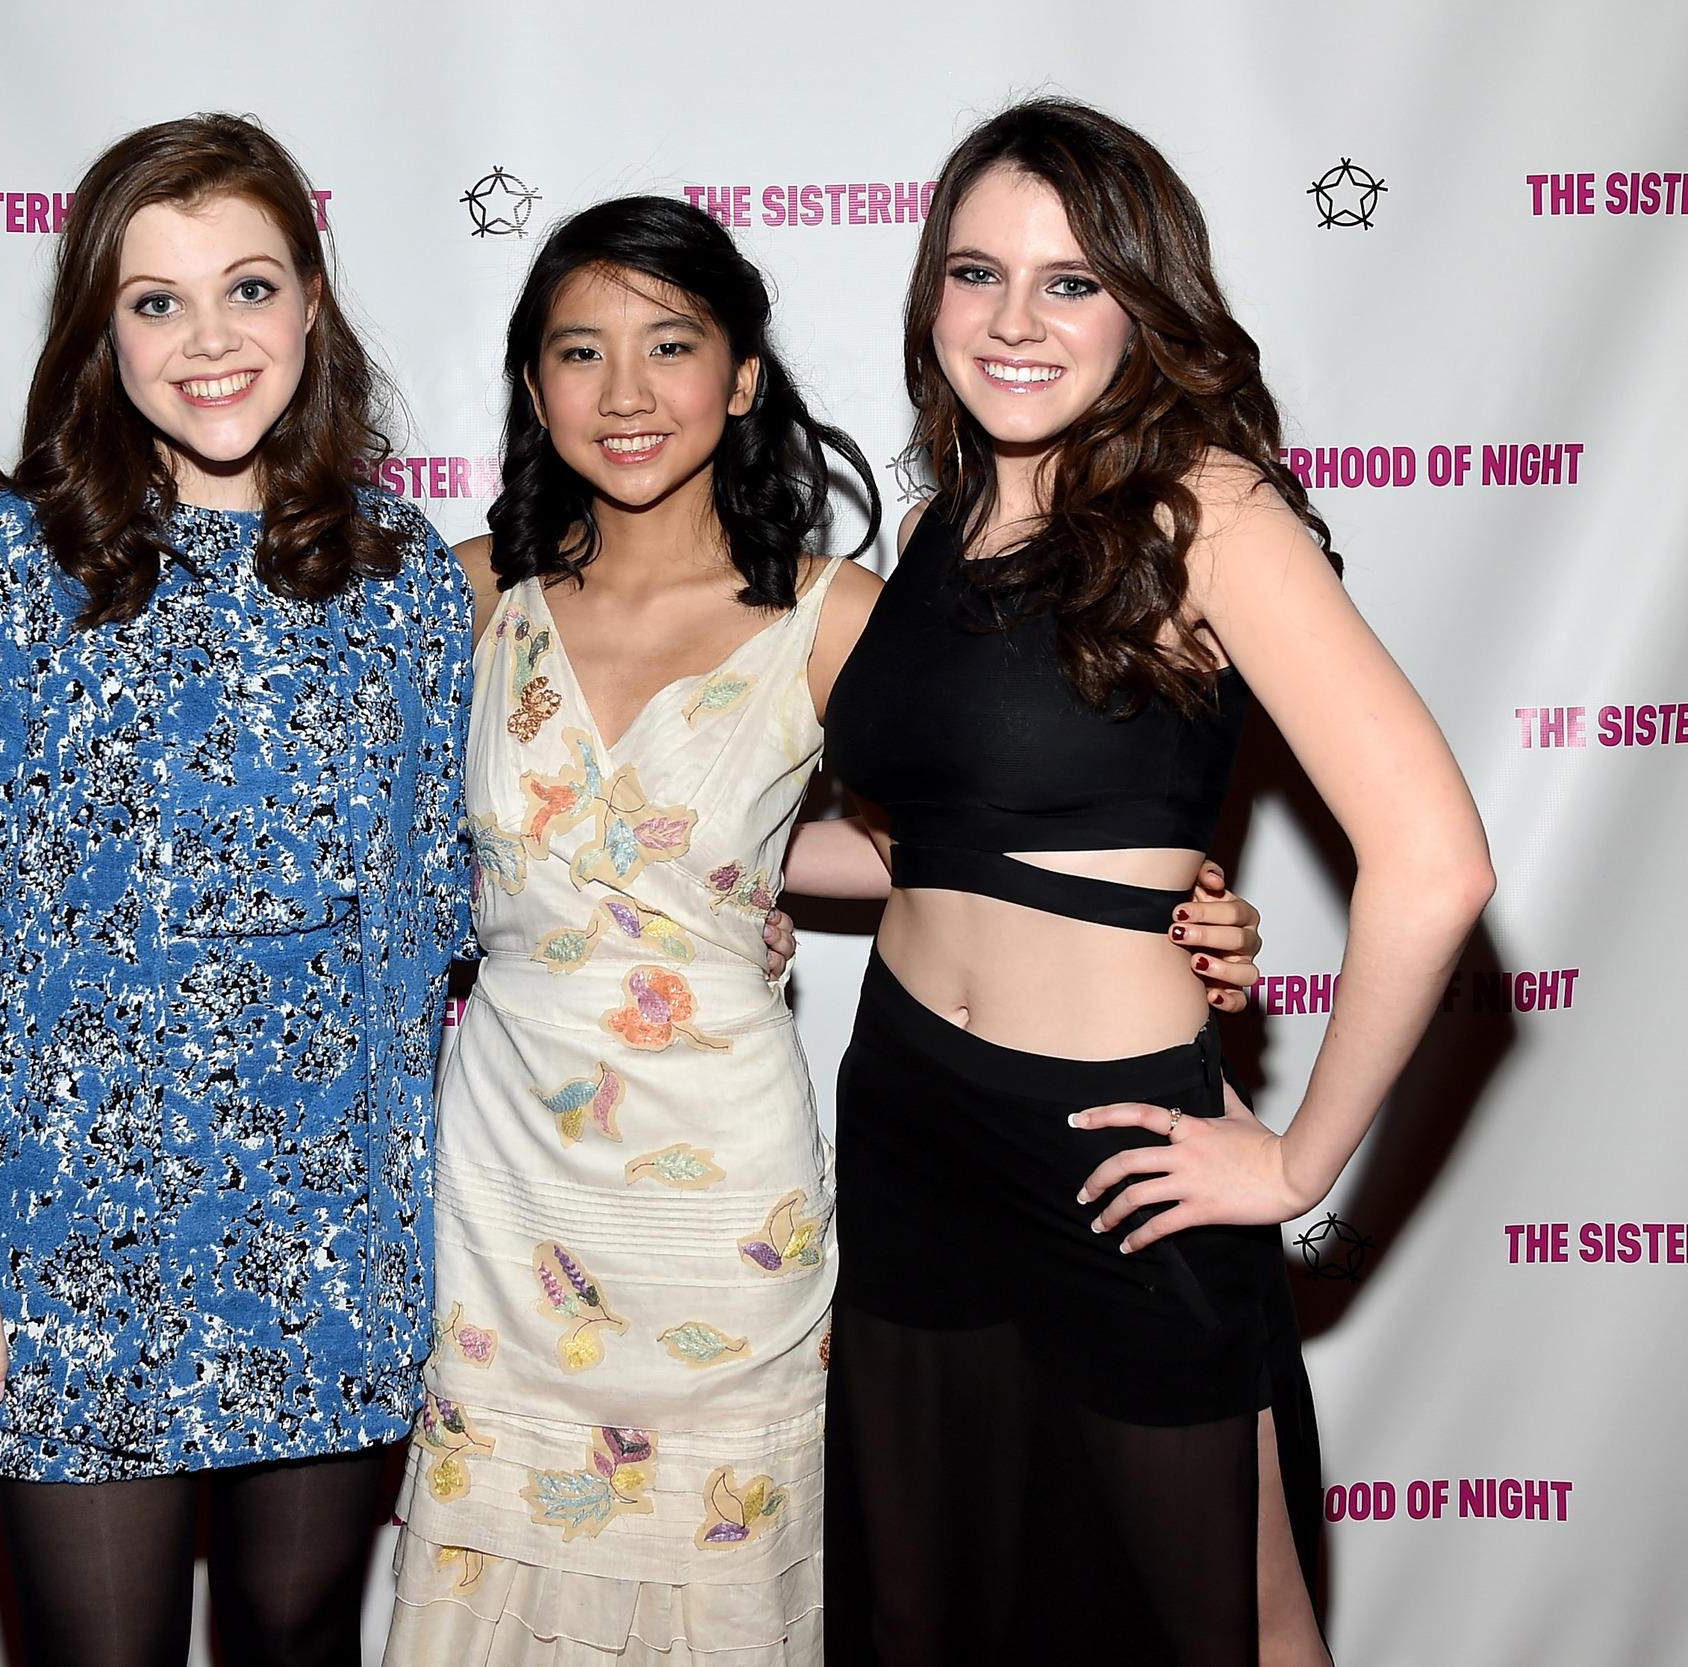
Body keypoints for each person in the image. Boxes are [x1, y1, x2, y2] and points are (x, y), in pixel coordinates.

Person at [382, 195, 1264, 1667]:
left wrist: (1171, 903)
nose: (624, 392)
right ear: (533, 387)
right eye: (577, 352)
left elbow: (958, 839)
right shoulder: (461, 599)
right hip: (505, 1191)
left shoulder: (836, 612)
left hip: (726, 1188)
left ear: (739, 379)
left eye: (671, 346)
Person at [811, 100, 1497, 1666]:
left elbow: (1436, 863)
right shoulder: (928, 531)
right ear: (929, 295)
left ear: (1145, 300)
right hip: (909, 1112)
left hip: (1119, 1148)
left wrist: (1296, 1162)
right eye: (976, 273)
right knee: (931, 1600)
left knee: (1227, 1618)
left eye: (1070, 282)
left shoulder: (1211, 511)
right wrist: (702, 869)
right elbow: (933, 851)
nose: (1013, 320)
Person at [0, 115, 473, 1667]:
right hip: (72, 1232)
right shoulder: (12, 571)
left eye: (249, 287)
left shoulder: (404, 579)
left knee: (295, 1630)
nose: (211, 341)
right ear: (99, 329)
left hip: (334, 1231)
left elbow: (443, 910)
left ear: (313, 302)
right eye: (157, 301)